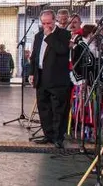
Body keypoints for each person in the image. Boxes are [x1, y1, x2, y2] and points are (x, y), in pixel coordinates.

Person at [29, 10, 72, 149]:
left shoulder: (64, 34)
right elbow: (34, 56)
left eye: (49, 23)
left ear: (54, 21)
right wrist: (32, 73)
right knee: (44, 108)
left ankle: (58, 137)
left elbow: (62, 50)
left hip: (57, 79)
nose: (46, 26)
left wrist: (49, 36)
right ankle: (48, 135)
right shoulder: (38, 36)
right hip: (41, 76)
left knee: (58, 109)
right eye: (43, 23)